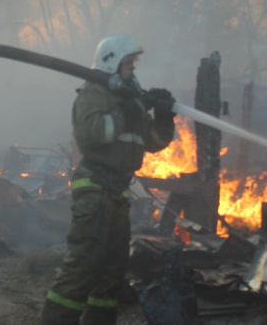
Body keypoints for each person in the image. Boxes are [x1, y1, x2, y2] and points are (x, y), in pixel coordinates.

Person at [40, 33, 177, 325]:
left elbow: (150, 140)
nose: (133, 70)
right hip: (95, 190)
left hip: (117, 192)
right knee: (82, 267)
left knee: (111, 273)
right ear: (112, 62)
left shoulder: (129, 99)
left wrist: (164, 117)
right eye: (129, 64)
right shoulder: (94, 93)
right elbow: (94, 134)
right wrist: (127, 111)